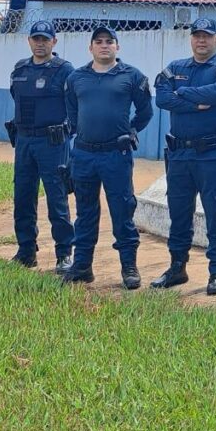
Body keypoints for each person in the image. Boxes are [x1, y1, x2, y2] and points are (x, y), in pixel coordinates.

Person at [152, 18, 216, 296]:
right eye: (197, 36)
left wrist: (184, 93)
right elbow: (162, 99)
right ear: (191, 39)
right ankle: (177, 267)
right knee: (178, 212)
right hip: (179, 153)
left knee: (215, 211)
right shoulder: (177, 67)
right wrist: (196, 104)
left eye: (207, 36)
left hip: (211, 153)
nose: (201, 40)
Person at [62, 26, 153, 288]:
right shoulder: (76, 78)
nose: (104, 46)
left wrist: (131, 130)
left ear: (117, 47)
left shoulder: (132, 76)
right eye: (98, 42)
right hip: (84, 155)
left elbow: (145, 112)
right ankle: (82, 266)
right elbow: (72, 113)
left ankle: (129, 267)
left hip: (116, 154)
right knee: (85, 211)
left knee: (122, 209)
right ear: (90, 48)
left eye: (109, 42)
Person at [6, 19, 75, 273]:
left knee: (57, 198)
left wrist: (68, 134)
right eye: (36, 39)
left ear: (54, 42)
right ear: (29, 41)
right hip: (24, 141)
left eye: (46, 39)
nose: (40, 43)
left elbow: (75, 107)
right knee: (22, 196)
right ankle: (26, 250)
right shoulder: (20, 69)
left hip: (53, 143)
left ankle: (64, 254)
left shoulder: (65, 70)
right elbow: (16, 97)